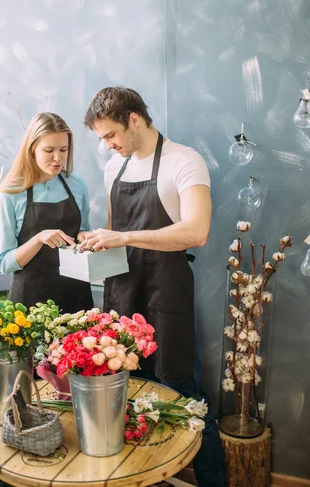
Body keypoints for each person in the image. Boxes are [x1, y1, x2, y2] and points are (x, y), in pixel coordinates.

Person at [82, 87, 225, 487]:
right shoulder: (116, 168)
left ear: (134, 119)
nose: (107, 146)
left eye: (110, 135)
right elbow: (115, 232)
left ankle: (214, 482)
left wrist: (123, 238)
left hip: (166, 298)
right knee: (128, 400)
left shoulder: (185, 161)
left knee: (186, 397)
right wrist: (94, 240)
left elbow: (196, 232)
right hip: (123, 297)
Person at [0, 112, 94, 313]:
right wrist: (38, 239)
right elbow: (4, 263)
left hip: (77, 299)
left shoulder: (76, 184)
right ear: (32, 149)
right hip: (31, 305)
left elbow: (83, 229)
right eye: (49, 150)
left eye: (63, 149)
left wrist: (85, 237)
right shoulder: (10, 194)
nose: (58, 158)